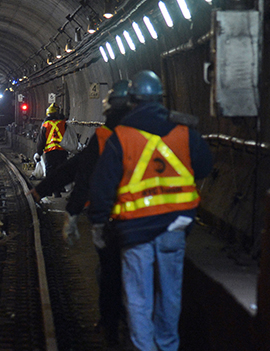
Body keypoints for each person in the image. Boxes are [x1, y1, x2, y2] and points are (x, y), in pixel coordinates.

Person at [88, 70, 213, 351]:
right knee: (170, 293)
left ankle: (143, 346)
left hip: (136, 230)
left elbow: (102, 185)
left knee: (138, 296)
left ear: (131, 101)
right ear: (160, 98)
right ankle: (167, 345)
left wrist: (98, 224)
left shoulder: (121, 136)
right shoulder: (183, 131)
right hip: (175, 226)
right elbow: (205, 166)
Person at [29, 80, 131, 345]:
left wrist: (69, 208)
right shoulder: (158, 133)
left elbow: (82, 171)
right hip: (157, 223)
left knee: (108, 273)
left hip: (114, 219)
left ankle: (111, 324)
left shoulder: (105, 136)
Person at [35, 102, 69, 197]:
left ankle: (49, 191)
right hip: (62, 151)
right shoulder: (63, 123)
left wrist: (38, 152)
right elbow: (69, 137)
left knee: (50, 172)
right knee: (60, 172)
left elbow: (41, 140)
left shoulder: (45, 125)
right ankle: (57, 191)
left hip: (50, 152)